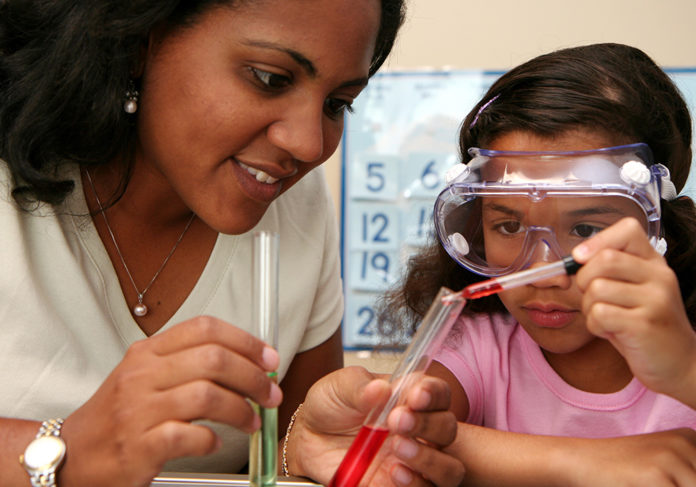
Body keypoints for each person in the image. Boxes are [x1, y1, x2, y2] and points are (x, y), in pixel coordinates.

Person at [0, 1, 465, 486]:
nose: (309, 146)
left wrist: (298, 454)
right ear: (138, 42)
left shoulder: (294, 204)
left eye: (336, 104)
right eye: (270, 78)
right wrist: (68, 452)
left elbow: (276, 454)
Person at [379, 42, 696, 486]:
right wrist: (584, 462)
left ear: (658, 228)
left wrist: (685, 370)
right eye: (508, 226)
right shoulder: (478, 348)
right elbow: (388, 438)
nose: (543, 273)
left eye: (585, 230)